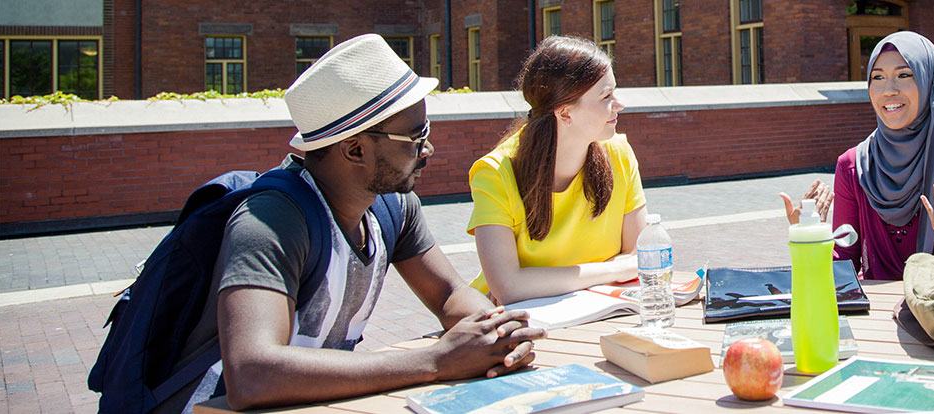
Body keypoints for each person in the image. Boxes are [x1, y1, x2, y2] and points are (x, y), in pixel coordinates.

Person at [157, 34, 544, 412]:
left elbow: (448, 295)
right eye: (415, 135)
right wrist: (437, 360)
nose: (428, 148)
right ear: (355, 148)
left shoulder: (393, 205)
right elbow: (252, 374)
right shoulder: (271, 222)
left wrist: (498, 334)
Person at [778, 31, 934, 280]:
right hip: (875, 315)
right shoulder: (853, 167)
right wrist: (810, 236)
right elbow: (844, 266)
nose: (888, 90)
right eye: (878, 77)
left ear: (930, 81)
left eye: (904, 75)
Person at [468, 36, 647, 305]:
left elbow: (642, 258)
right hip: (511, 325)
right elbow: (507, 287)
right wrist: (615, 269)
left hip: (593, 312)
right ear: (564, 113)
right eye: (606, 96)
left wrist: (533, 282)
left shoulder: (619, 154)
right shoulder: (495, 173)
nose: (619, 104)